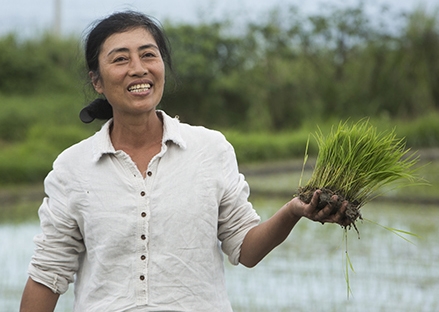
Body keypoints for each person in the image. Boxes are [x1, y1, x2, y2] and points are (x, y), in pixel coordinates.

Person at [19, 10, 350, 312]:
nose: (138, 68)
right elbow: (47, 274)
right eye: (120, 59)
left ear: (162, 66)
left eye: (149, 55)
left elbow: (245, 249)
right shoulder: (73, 167)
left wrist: (293, 211)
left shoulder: (210, 149)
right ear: (97, 81)